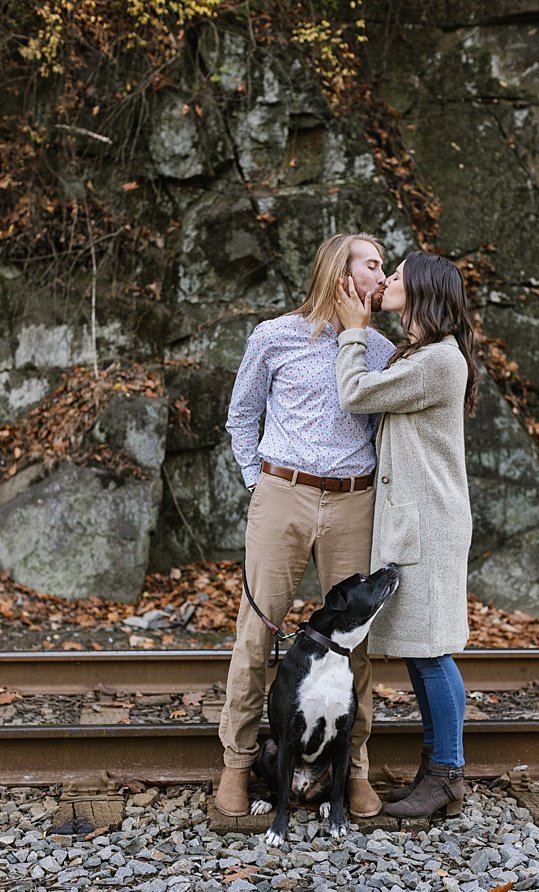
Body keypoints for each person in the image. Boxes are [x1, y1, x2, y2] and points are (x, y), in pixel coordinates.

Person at [217, 232, 394, 819]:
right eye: (373, 264)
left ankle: (355, 772)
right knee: (257, 631)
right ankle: (237, 766)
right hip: (282, 493)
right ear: (340, 273)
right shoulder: (274, 336)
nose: (383, 273)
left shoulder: (381, 349)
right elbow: (241, 413)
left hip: (353, 501)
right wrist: (256, 481)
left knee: (356, 644)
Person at [331, 250, 477, 820]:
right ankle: (442, 767)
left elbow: (356, 394)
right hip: (422, 523)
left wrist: (352, 333)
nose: (387, 279)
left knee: (430, 654)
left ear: (420, 291)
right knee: (427, 652)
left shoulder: (437, 362)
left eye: (396, 276)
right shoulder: (427, 355)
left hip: (429, 527)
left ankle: (446, 776)